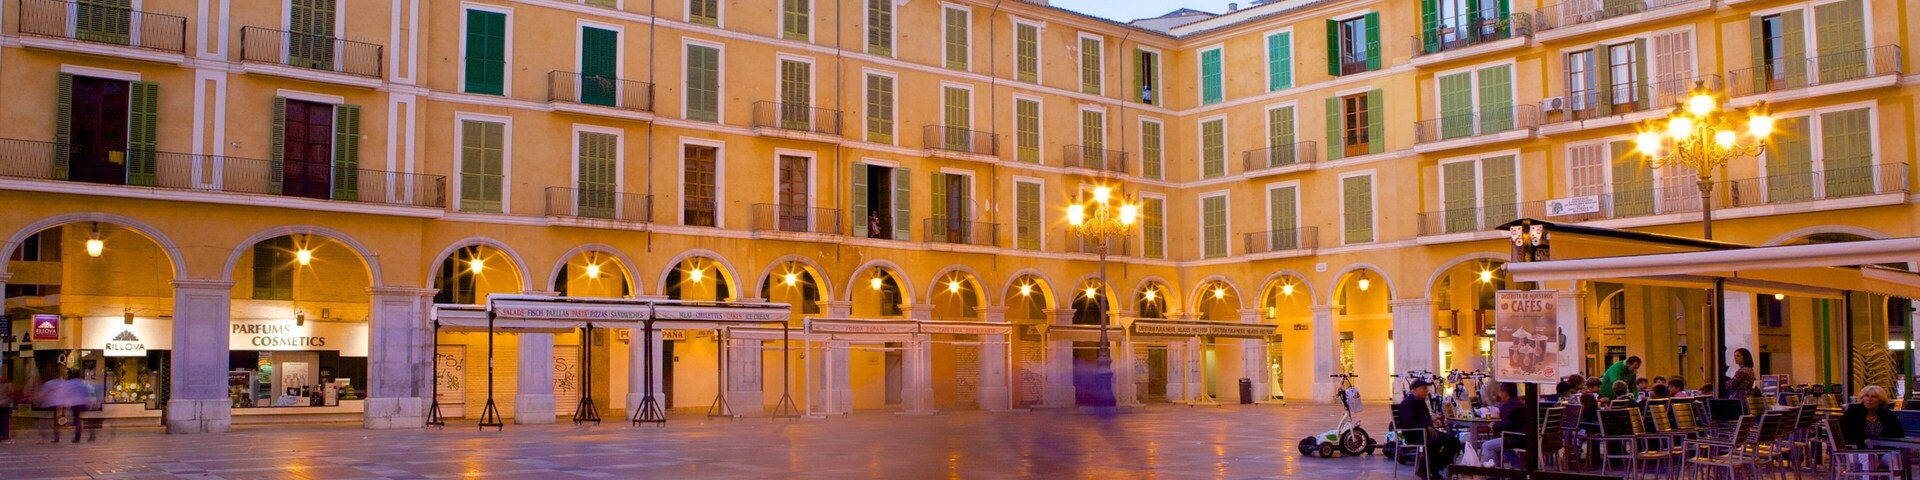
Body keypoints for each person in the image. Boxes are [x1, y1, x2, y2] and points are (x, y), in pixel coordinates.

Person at [1397, 379, 1463, 478]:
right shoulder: (1407, 403)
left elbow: (1426, 418)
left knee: (1454, 442)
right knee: (1434, 442)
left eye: (1427, 388)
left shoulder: (1421, 402)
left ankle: (1433, 467)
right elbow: (1409, 423)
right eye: (1424, 388)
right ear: (1414, 389)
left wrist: (1432, 422)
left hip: (1426, 432)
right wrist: (1426, 425)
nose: (1426, 391)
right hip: (1414, 434)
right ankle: (1427, 470)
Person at [1478, 383, 1530, 467]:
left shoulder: (1508, 406)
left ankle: (1494, 474)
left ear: (1506, 392)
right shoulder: (1519, 403)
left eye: (1500, 391)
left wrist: (1494, 425)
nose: (1499, 393)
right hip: (1524, 437)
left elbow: (1506, 425)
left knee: (1487, 446)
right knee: (1498, 445)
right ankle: (1513, 467)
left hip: (1515, 438)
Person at [1839, 385, 1906, 448]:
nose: (1869, 399)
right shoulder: (1852, 414)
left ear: (1880, 400)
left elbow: (1899, 435)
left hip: (1884, 450)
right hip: (1858, 450)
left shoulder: (1888, 415)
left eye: (1874, 397)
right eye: (1866, 396)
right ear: (1863, 398)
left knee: (1894, 456)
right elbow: (1845, 436)